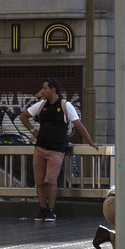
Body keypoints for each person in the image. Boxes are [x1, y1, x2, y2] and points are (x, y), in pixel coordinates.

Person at [18, 77, 98, 221]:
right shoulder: (41, 105)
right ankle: (42, 209)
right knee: (39, 181)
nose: (42, 91)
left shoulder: (65, 106)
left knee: (51, 180)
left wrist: (90, 142)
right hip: (40, 148)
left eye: (45, 88)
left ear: (53, 90)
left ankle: (51, 210)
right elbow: (23, 116)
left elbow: (78, 125)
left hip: (56, 149)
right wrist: (33, 131)